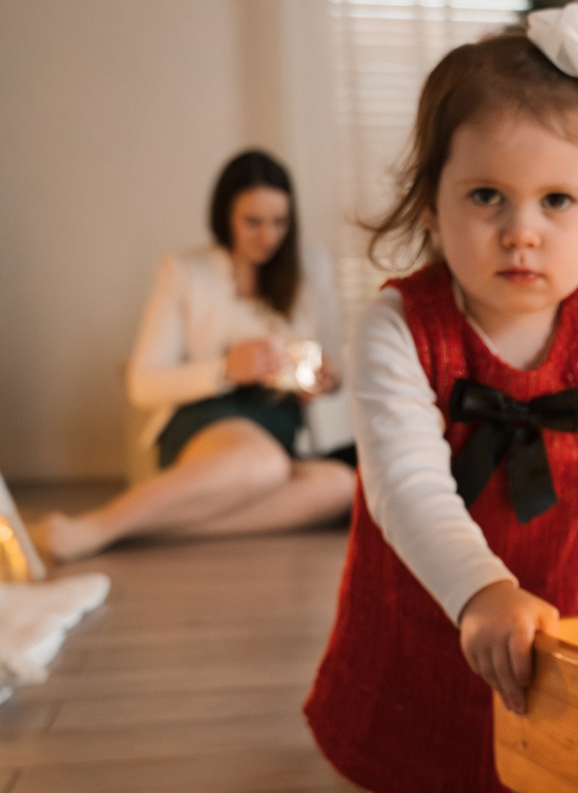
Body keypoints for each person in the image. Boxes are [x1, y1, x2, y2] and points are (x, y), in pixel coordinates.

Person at [304, 6, 578, 793]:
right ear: (429, 204)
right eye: (487, 195)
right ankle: (416, 766)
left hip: (562, 635)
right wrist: (480, 588)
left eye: (556, 200)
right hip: (425, 616)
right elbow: (406, 483)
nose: (522, 231)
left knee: (556, 762)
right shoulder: (400, 326)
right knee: (411, 778)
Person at [36, 150, 357, 562]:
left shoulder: (310, 268)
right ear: (225, 217)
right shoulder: (185, 271)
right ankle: (98, 526)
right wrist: (226, 369)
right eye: (253, 222)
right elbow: (143, 384)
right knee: (264, 463)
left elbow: (335, 362)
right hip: (208, 419)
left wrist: (328, 379)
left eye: (280, 222)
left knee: (341, 487)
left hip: (280, 424)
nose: (268, 237)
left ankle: (146, 531)